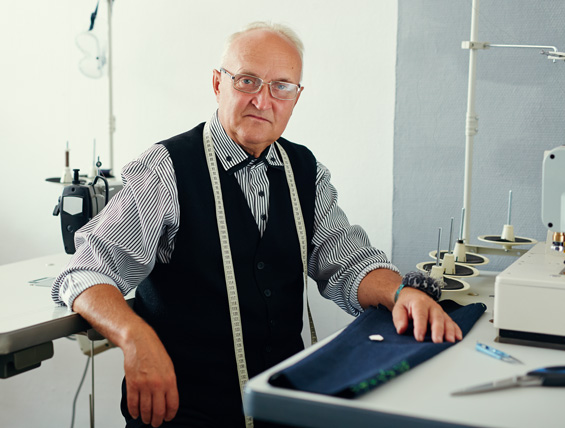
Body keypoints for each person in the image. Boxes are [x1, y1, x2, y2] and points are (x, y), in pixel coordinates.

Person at [52, 21, 462, 428]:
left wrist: (401, 292)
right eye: (247, 81)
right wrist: (135, 337)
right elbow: (85, 273)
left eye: (281, 86)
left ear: (296, 97)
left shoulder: (305, 170)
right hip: (183, 412)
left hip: (279, 405)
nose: (263, 101)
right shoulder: (166, 169)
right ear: (217, 84)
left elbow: (349, 263)